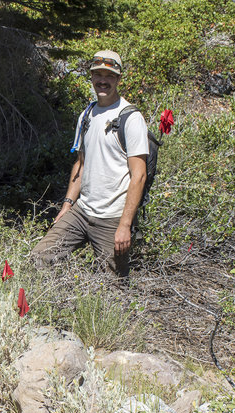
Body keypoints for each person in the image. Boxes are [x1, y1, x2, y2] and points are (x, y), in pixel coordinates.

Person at [32, 50, 149, 278]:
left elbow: (139, 176)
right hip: (82, 211)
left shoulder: (130, 118)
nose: (103, 81)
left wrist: (124, 225)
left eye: (109, 76)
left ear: (118, 79)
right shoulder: (87, 114)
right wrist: (67, 206)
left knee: (113, 288)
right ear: (92, 77)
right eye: (98, 75)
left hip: (112, 218)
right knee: (41, 258)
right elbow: (81, 163)